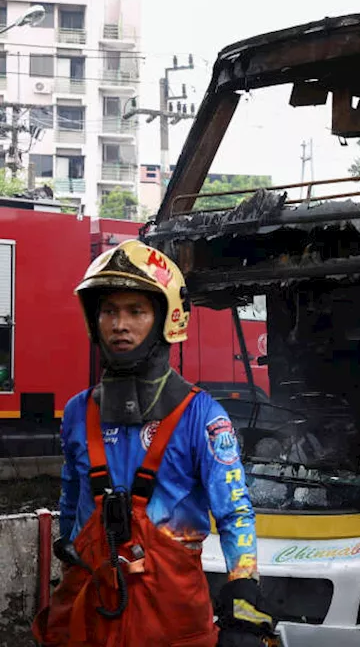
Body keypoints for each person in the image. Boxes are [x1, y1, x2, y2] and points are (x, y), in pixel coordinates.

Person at [32, 240, 275, 647]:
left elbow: (235, 513)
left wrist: (243, 594)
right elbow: (72, 502)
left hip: (173, 617)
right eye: (109, 310)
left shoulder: (202, 416)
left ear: (166, 318)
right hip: (91, 610)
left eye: (136, 311)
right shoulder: (78, 413)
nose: (119, 325)